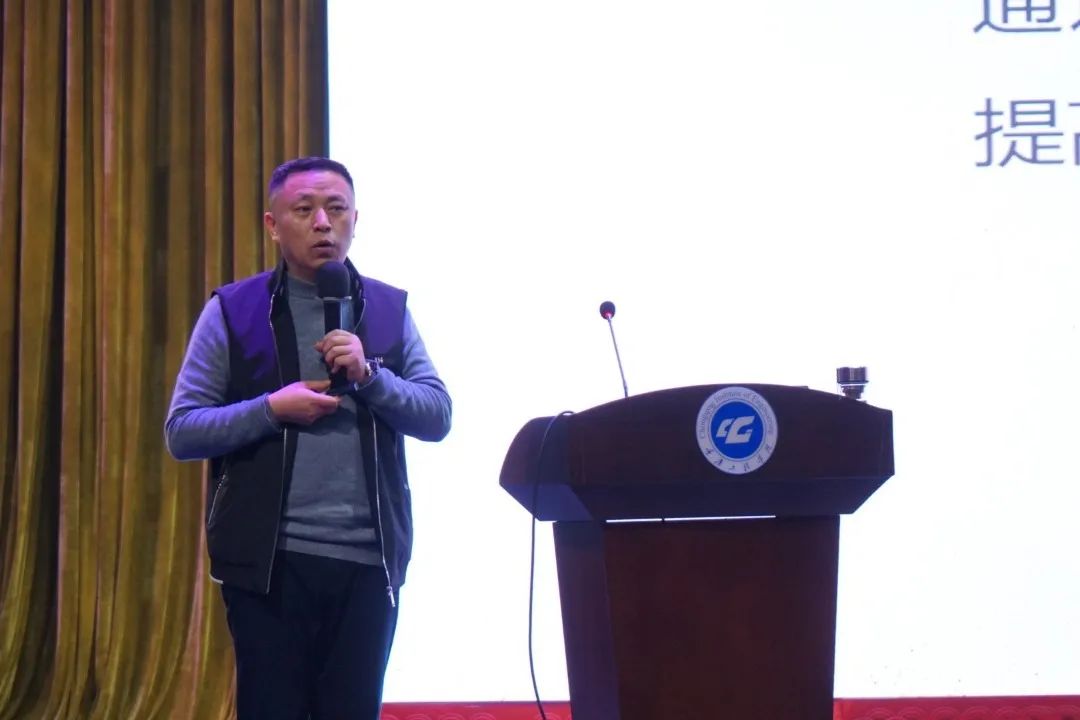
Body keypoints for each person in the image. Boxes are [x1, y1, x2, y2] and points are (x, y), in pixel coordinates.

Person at [165, 156, 452, 719]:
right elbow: (183, 430)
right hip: (270, 565)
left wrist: (370, 377)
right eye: (305, 210)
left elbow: (437, 415)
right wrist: (272, 409)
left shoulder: (388, 309)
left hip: (369, 563)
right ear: (273, 225)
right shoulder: (233, 311)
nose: (323, 222)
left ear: (355, 221)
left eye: (336, 209)